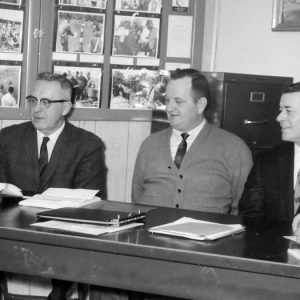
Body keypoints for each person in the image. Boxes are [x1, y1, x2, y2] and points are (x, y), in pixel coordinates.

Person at [0, 72, 107, 300]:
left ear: (66, 107)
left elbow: (89, 207)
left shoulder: (88, 145)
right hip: (11, 234)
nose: (37, 109)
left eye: (46, 102)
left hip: (63, 239)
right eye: (33, 100)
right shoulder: (7, 139)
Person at [132, 68, 253, 215]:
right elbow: (137, 197)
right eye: (167, 100)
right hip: (150, 235)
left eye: (179, 101)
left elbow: (243, 208)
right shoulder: (149, 145)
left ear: (200, 105)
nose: (169, 108)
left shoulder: (234, 148)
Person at [239, 82, 300, 222]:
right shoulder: (268, 160)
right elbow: (249, 215)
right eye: (280, 110)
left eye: (288, 111)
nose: (279, 118)